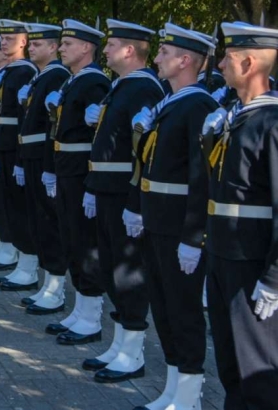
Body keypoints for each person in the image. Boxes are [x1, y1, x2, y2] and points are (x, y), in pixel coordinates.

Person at [128, 23, 219, 409]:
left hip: (178, 226)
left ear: (185, 60)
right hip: (157, 222)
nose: (158, 58)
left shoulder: (198, 106)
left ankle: (190, 396)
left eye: (165, 52)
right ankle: (172, 387)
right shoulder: (171, 102)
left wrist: (193, 237)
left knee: (183, 311)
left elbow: (202, 180)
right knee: (164, 308)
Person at [83, 19, 165, 383]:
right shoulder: (123, 86)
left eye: (112, 44)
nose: (106, 50)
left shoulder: (143, 88)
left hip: (122, 191)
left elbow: (142, 154)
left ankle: (132, 352)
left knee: (127, 274)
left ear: (130, 51)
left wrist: (135, 200)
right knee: (112, 268)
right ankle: (120, 345)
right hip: (105, 187)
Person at [203, 21, 278, 409]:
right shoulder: (237, 117)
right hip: (224, 255)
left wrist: (274, 278)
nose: (219, 66)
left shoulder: (272, 123)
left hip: (252, 264)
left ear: (248, 63)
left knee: (257, 370)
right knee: (231, 364)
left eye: (227, 58)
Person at [44, 19, 110, 344]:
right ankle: (81, 310)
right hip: (67, 167)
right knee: (71, 240)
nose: (61, 49)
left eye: (67, 44)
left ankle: (92, 316)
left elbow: (99, 136)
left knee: (85, 244)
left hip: (82, 171)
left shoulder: (94, 82)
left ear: (86, 47)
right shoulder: (74, 81)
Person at [15, 24, 71, 313]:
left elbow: (52, 129)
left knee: (49, 222)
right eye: (31, 45)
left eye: (38, 45)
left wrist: (46, 165)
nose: (31, 48)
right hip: (32, 155)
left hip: (44, 156)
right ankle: (48, 281)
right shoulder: (42, 78)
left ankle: (56, 285)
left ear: (51, 48)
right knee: (38, 220)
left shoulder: (58, 76)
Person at [0, 19, 39, 282]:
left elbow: (23, 119)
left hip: (14, 145)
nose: (3, 42)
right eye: (2, 38)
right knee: (7, 203)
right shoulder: (10, 71)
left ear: (23, 42)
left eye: (9, 39)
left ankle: (28, 264)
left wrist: (17, 155)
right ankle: (20, 258)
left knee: (18, 207)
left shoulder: (23, 71)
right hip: (4, 143)